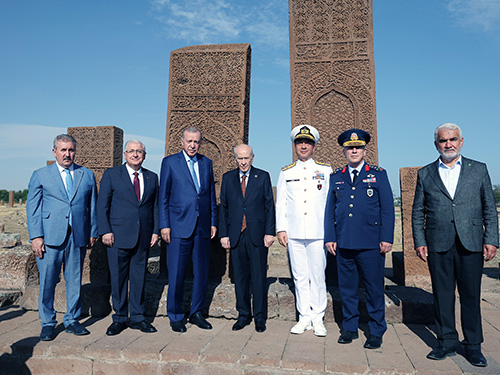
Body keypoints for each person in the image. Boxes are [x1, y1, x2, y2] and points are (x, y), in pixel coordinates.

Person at [412, 123, 498, 367]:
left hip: (471, 242)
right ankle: (446, 341)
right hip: (438, 243)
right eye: (443, 140)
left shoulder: (478, 169)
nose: (448, 144)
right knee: (442, 295)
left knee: (471, 296)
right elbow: (418, 212)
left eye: (452, 139)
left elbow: (489, 208)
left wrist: (491, 239)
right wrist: (420, 241)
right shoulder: (426, 173)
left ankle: (473, 346)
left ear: (461, 141)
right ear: (436, 144)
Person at [324, 129, 394, 350]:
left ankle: (376, 330)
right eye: (349, 147)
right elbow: (330, 210)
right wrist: (330, 237)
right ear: (344, 151)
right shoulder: (336, 176)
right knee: (347, 289)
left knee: (374, 288)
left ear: (364, 150)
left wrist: (386, 237)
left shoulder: (378, 174)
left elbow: (388, 209)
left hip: (371, 243)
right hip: (344, 241)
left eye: (358, 147)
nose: (354, 150)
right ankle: (350, 328)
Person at [26, 134, 98, 341]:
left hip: (77, 235)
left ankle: (72, 320)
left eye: (71, 150)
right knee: (48, 281)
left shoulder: (86, 175)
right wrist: (36, 236)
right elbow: (33, 208)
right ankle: (48, 322)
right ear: (54, 151)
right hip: (49, 237)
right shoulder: (40, 175)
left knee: (74, 280)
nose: (67, 154)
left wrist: (93, 231)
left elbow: (91, 205)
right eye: (63, 150)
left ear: (75, 151)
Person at [97, 140, 159, 336]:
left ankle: (138, 317)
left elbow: (155, 207)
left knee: (139, 278)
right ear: (125, 154)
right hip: (117, 236)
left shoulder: (151, 177)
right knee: (118, 278)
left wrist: (155, 231)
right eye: (131, 151)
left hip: (143, 237)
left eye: (139, 151)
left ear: (144, 155)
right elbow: (102, 205)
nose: (135, 154)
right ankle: (120, 318)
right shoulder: (112, 175)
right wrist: (105, 231)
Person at [159, 126, 218, 333]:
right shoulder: (169, 162)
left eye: (197, 142)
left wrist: (212, 221)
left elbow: (210, 194)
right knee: (176, 272)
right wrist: (164, 225)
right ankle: (175, 315)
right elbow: (163, 197)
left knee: (201, 272)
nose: (193, 145)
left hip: (202, 226)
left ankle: (196, 313)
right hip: (177, 226)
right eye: (189, 141)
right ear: (182, 142)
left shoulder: (206, 163)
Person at [276, 125, 332, 337]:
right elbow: (281, 203)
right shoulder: (286, 172)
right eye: (299, 142)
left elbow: (330, 202)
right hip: (295, 232)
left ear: (314, 146)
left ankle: (318, 317)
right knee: (299, 276)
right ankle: (304, 316)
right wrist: (281, 228)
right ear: (294, 146)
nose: (303, 146)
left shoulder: (326, 170)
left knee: (318, 276)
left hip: (319, 232)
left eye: (307, 143)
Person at [219, 144, 275, 333]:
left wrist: (269, 232)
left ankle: (260, 317)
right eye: (240, 158)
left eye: (246, 158)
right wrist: (224, 234)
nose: (243, 162)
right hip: (236, 234)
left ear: (252, 158)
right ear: (235, 159)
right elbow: (224, 208)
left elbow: (269, 206)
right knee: (240, 278)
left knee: (259, 277)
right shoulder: (228, 178)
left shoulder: (263, 176)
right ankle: (243, 315)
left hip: (257, 234)